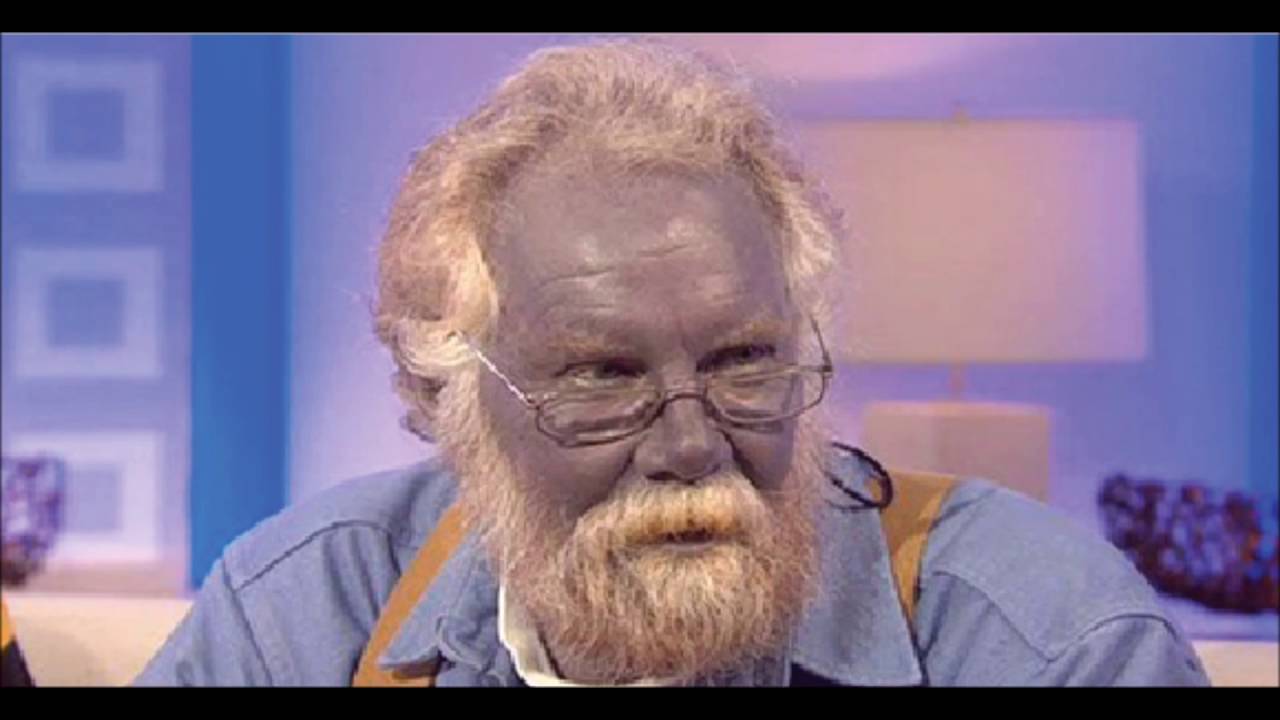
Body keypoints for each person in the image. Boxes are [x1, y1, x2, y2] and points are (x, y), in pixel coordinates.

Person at [137, 39, 1210, 687]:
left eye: (744, 361)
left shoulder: (1041, 637)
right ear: (447, 402)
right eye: (602, 377)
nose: (693, 445)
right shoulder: (308, 613)